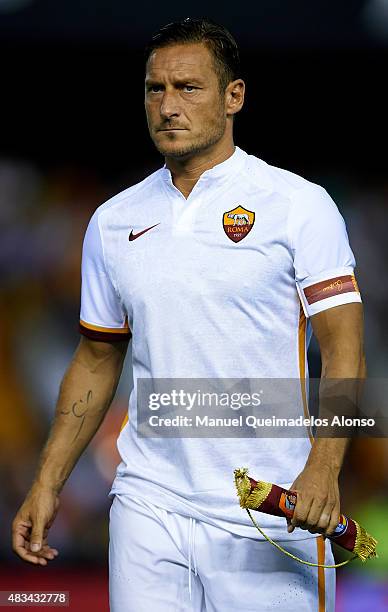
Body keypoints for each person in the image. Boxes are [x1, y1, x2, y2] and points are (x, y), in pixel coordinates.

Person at [12, 17, 366, 612]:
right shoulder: (112, 222)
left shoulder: (300, 205)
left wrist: (325, 469)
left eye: (189, 88)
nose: (168, 106)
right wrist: (48, 483)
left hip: (270, 507)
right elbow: (98, 357)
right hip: (149, 501)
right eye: (156, 89)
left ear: (235, 97)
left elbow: (346, 350)